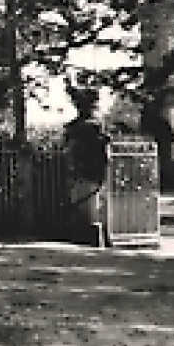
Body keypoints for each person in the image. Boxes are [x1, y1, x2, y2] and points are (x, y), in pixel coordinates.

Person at [63, 88, 111, 246]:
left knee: (90, 207)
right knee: (89, 206)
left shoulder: (89, 127)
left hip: (89, 171)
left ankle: (93, 237)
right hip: (88, 172)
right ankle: (95, 236)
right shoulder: (93, 126)